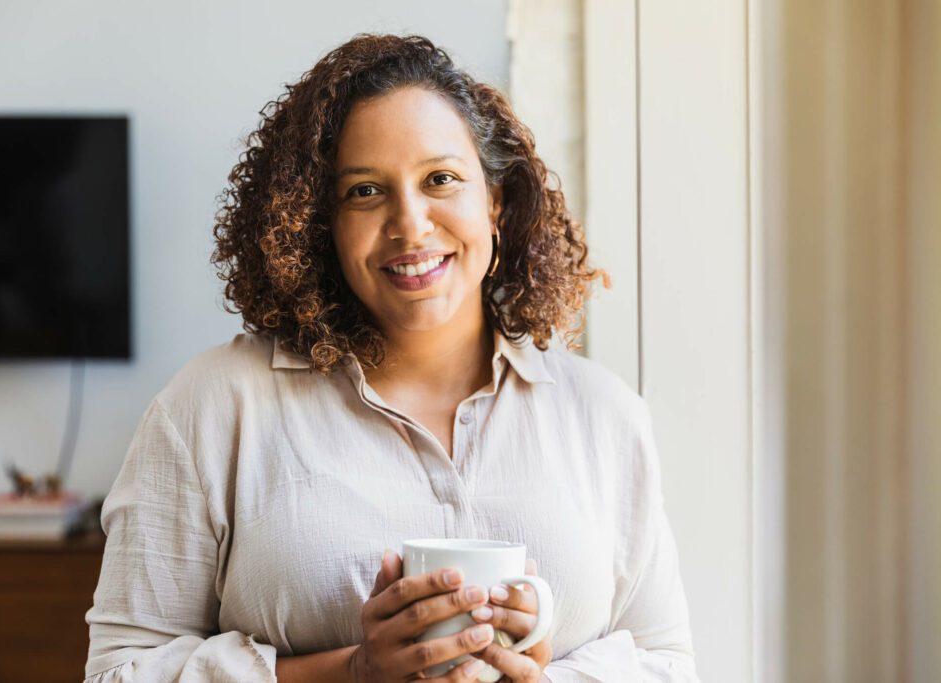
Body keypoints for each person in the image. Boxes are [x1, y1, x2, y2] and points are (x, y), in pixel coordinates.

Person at [84, 33, 700, 683]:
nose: (410, 225)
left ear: (494, 201)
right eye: (364, 192)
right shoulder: (214, 406)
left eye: (441, 179)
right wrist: (349, 670)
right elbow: (120, 672)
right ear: (321, 223)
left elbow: (665, 662)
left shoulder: (602, 414)